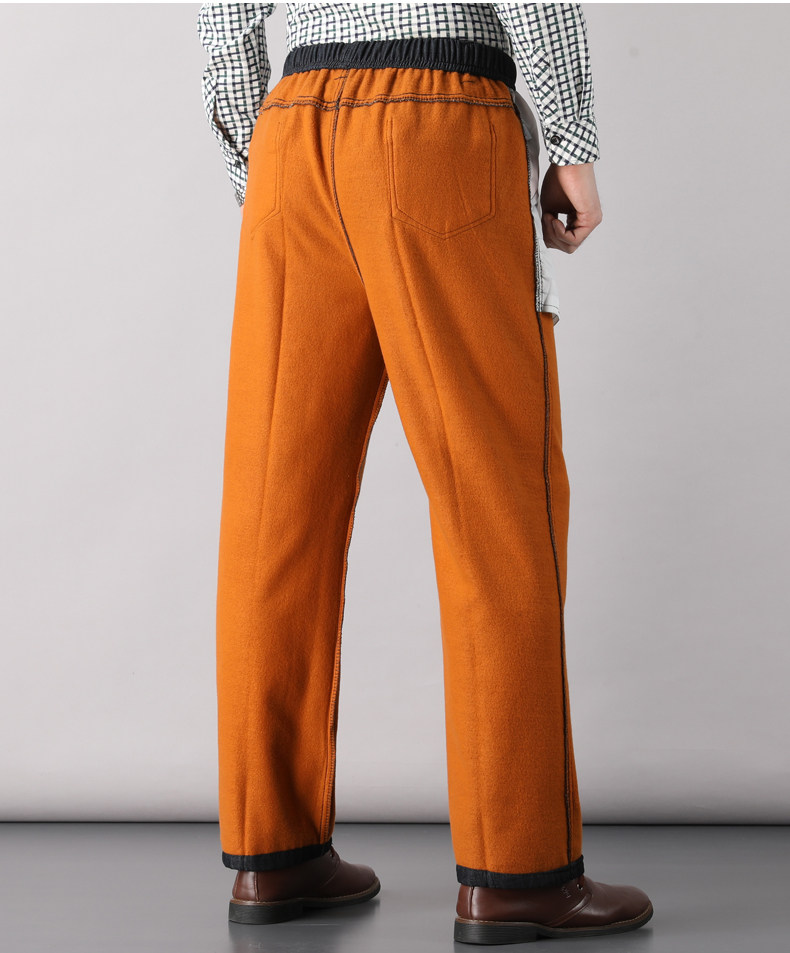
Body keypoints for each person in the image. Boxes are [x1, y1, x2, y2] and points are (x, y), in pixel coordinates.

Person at [197, 2, 653, 944]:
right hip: (437, 115)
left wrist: (256, 152)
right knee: (497, 499)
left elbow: (222, 13)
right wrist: (571, 142)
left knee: (275, 509)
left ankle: (271, 854)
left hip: (292, 129)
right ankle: (518, 873)